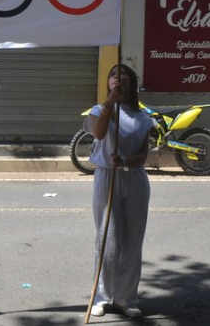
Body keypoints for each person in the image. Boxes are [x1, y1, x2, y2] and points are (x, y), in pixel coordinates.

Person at [83, 64, 152, 319]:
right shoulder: (99, 110)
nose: (117, 78)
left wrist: (125, 161)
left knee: (132, 241)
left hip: (134, 180)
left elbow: (143, 155)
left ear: (131, 83)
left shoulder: (143, 116)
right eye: (113, 74)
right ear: (109, 82)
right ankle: (101, 296)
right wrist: (110, 103)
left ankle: (126, 297)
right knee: (107, 240)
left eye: (122, 75)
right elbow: (99, 133)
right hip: (106, 178)